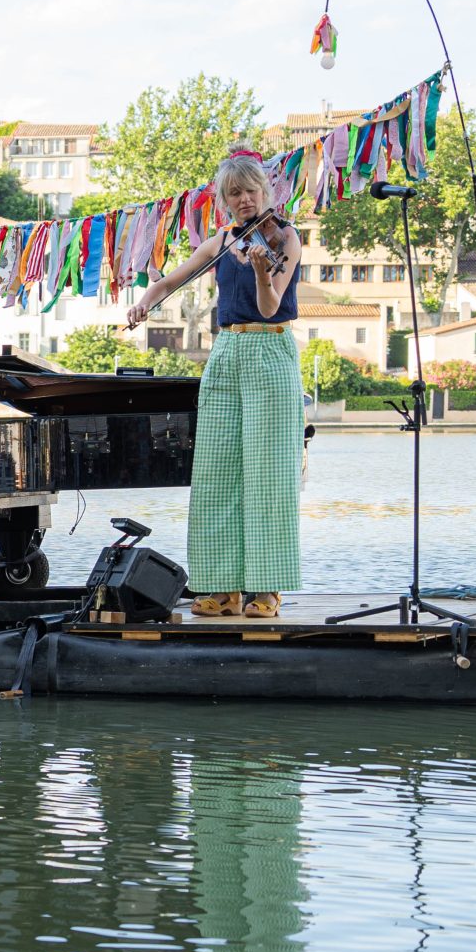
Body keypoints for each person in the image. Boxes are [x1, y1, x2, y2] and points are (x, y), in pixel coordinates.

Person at [124, 148, 303, 619]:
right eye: (234, 193)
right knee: (216, 473)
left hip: (270, 350)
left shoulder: (285, 238)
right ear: (224, 200)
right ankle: (222, 589)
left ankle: (265, 589)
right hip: (226, 355)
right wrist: (146, 300)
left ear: (266, 191)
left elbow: (269, 307)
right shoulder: (221, 242)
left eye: (250, 190)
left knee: (268, 475)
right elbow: (170, 281)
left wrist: (263, 273)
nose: (244, 199)